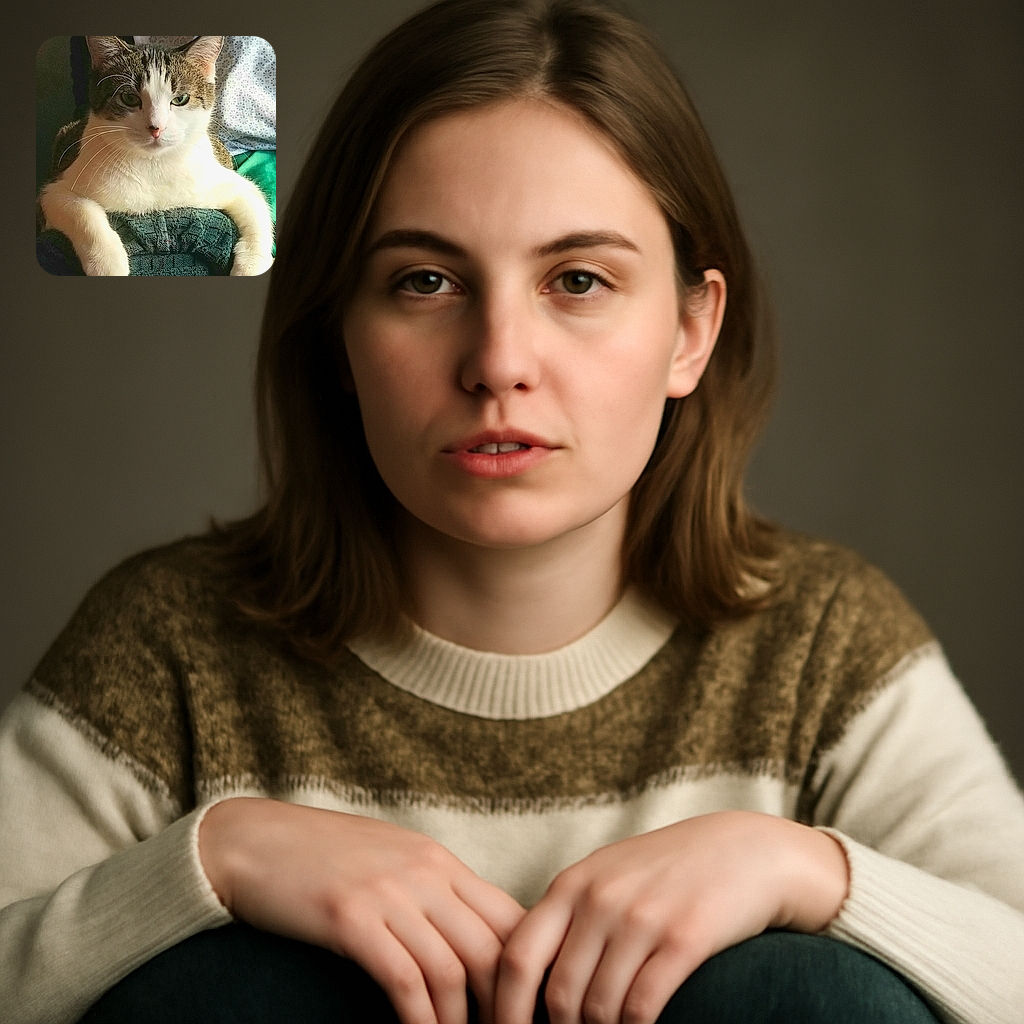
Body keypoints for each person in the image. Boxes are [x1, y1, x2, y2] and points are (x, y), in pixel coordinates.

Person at [2, 1, 1022, 1022]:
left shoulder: (823, 643)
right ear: (338, 334)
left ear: (690, 331)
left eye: (577, 279)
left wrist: (810, 870)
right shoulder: (171, 645)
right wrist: (215, 857)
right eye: (425, 281)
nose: (498, 362)